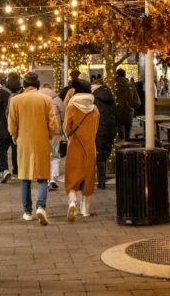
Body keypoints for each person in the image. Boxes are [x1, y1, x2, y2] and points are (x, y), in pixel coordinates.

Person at [8, 72, 59, 225]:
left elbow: (12, 124)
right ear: (37, 84)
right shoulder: (46, 99)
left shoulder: (15, 100)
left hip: (24, 141)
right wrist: (48, 135)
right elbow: (53, 124)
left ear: (23, 84)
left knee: (25, 177)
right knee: (43, 176)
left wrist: (15, 137)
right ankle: (41, 206)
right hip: (41, 140)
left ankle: (27, 212)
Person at [63, 79, 100, 221]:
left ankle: (72, 202)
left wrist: (69, 137)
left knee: (72, 177)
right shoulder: (95, 109)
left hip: (74, 146)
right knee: (89, 178)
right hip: (90, 146)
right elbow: (96, 129)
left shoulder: (72, 107)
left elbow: (66, 127)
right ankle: (86, 210)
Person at [0, 72, 21, 182]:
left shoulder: (2, 92)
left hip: (4, 125)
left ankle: (4, 170)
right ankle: (16, 171)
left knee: (2, 148)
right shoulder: (21, 92)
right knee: (16, 149)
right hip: (18, 126)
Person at [91, 78, 116, 189]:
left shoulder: (93, 96)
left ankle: (101, 181)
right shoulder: (110, 94)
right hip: (110, 128)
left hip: (98, 127)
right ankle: (102, 178)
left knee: (99, 155)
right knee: (105, 153)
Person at [39, 84, 65, 191]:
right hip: (55, 131)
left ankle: (45, 177)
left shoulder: (37, 99)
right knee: (55, 154)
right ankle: (53, 178)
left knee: (43, 155)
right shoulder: (57, 99)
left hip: (41, 131)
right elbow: (64, 115)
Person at [114, 69, 138, 141]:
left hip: (117, 112)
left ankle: (121, 148)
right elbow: (137, 101)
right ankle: (127, 146)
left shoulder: (113, 86)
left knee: (120, 135)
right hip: (129, 112)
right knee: (127, 135)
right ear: (124, 75)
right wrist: (133, 107)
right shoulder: (130, 85)